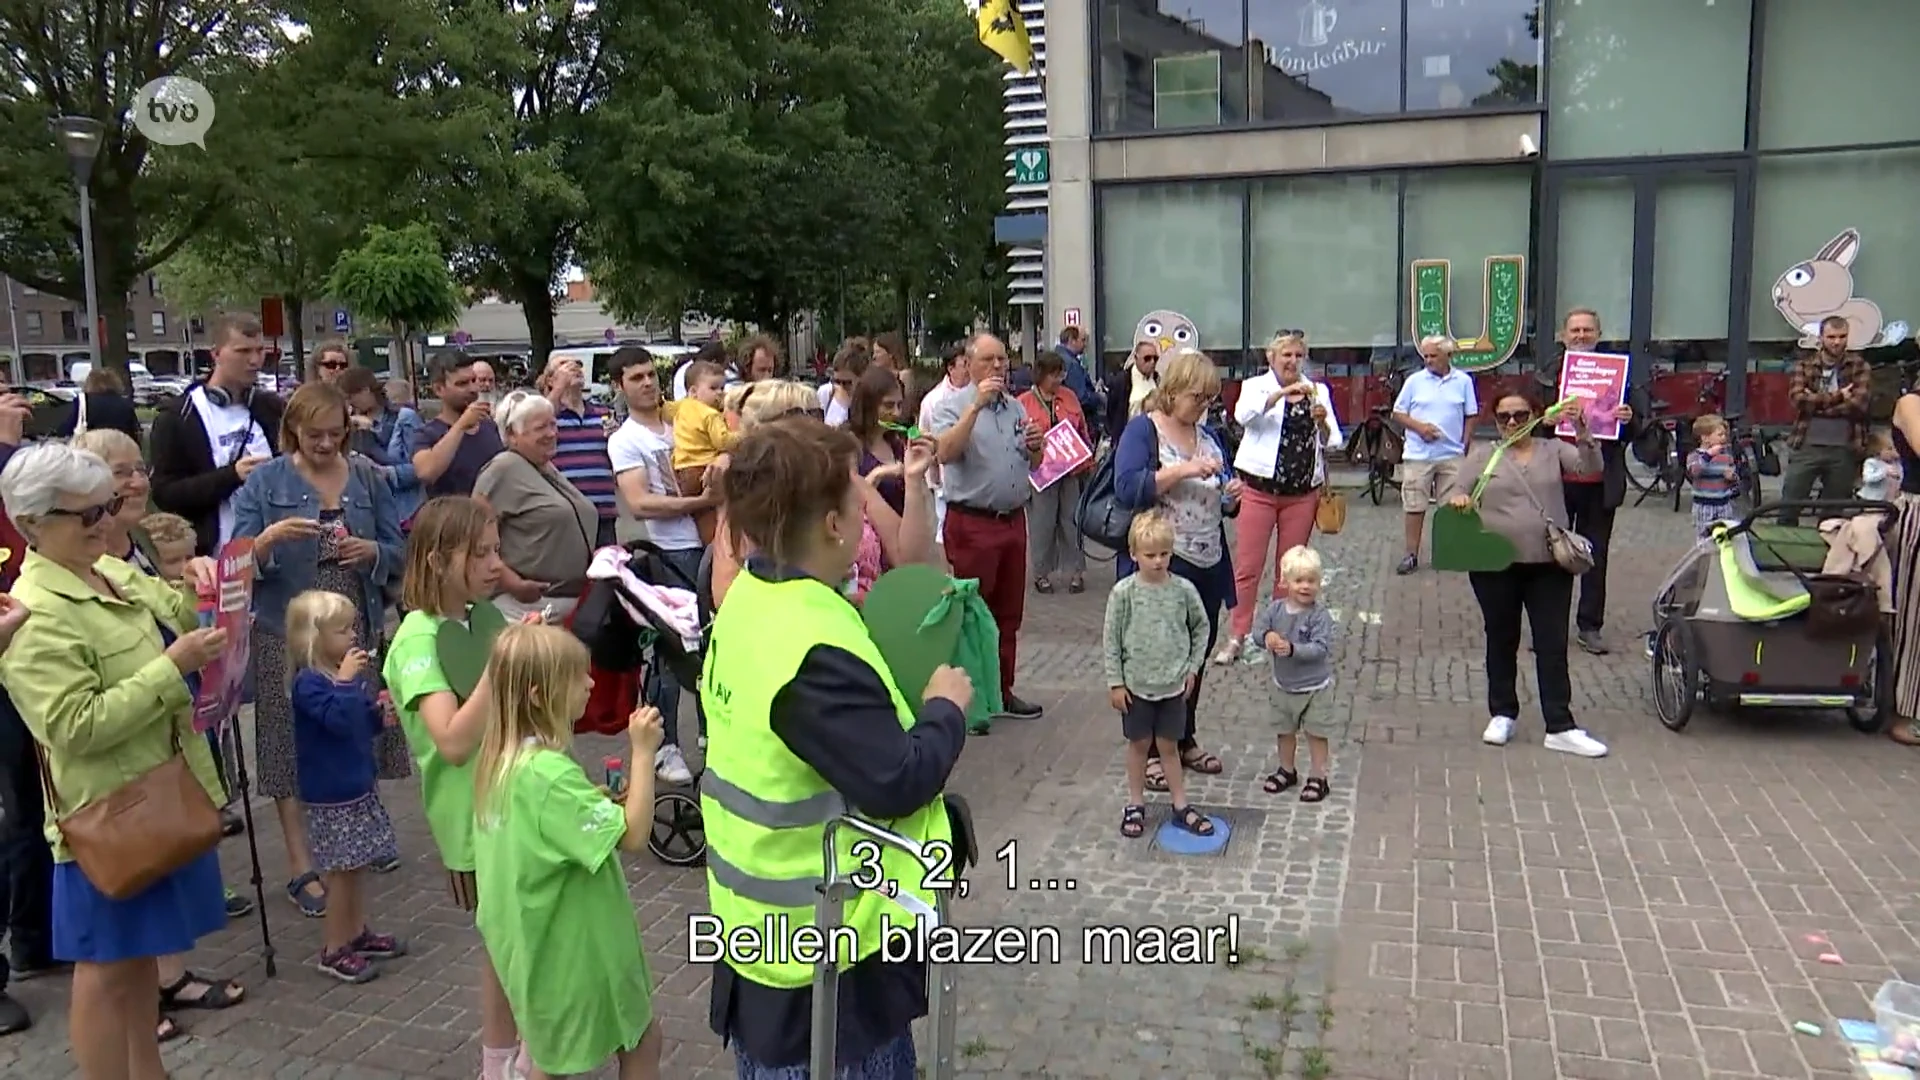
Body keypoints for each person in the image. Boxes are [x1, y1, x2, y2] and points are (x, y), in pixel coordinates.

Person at [700, 418, 972, 1078]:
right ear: (831, 524)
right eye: (855, 498)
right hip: (828, 973)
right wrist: (944, 709)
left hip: (764, 939)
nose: (864, 513)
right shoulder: (812, 640)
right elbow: (896, 780)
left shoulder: (750, 603)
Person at [0, 442, 230, 1080]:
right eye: (85, 515)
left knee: (136, 964)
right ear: (31, 527)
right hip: (107, 815)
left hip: (154, 795)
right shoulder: (34, 614)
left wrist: (203, 590)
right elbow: (74, 727)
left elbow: (181, 622)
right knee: (106, 973)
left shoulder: (108, 567)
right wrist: (170, 668)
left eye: (107, 505)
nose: (104, 522)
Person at [234, 381, 409, 917]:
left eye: (337, 433)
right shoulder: (265, 481)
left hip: (351, 621)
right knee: (288, 743)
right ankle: (299, 863)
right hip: (285, 630)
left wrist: (372, 552)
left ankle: (356, 836)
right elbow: (235, 561)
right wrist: (265, 543)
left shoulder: (366, 477)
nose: (327, 444)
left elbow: (397, 549)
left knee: (355, 725)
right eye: (315, 435)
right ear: (293, 431)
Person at [472, 626, 665, 1079]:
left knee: (556, 1055)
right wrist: (642, 753)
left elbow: (542, 832)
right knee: (636, 1043)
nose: (592, 683)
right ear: (540, 695)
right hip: (577, 955)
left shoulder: (503, 760)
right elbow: (635, 835)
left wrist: (591, 801)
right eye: (578, 676)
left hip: (532, 950)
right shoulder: (549, 777)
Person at [381, 496, 528, 1079]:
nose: (497, 564)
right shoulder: (418, 639)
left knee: (508, 949)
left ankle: (507, 1060)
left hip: (513, 807)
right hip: (475, 821)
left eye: (498, 550)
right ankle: (510, 1061)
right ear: (440, 561)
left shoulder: (478, 618)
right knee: (509, 948)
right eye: (482, 553)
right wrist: (503, 666)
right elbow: (451, 741)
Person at [1442, 389, 1608, 758]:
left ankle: (1560, 724)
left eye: (1520, 414)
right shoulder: (1484, 454)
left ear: (1535, 414)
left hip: (1549, 562)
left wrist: (1582, 428)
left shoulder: (1553, 450)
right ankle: (1502, 712)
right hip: (1495, 563)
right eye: (1504, 417)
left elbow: (1591, 468)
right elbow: (1455, 489)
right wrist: (1458, 500)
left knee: (1551, 642)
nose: (1513, 423)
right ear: (1496, 422)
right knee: (1501, 637)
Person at [1111, 348, 1238, 791]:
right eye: (1197, 397)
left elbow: (1218, 492)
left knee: (1193, 655)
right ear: (1174, 390)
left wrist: (1230, 495)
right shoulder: (1143, 430)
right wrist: (1183, 469)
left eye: (1209, 399)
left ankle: (1183, 739)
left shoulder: (1208, 434)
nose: (1203, 406)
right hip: (1162, 561)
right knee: (1155, 656)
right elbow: (1128, 487)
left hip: (1207, 558)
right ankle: (1146, 750)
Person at [711, 380, 936, 610]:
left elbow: (909, 559)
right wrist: (832, 600)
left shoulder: (847, 479)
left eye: (816, 412)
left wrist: (914, 480)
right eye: (800, 415)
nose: (816, 423)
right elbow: (729, 601)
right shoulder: (751, 506)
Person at [286, 590, 407, 983]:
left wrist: (377, 716)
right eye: (342, 630)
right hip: (331, 796)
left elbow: (352, 723)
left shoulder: (339, 678)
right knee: (340, 872)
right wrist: (345, 684)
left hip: (356, 785)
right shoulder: (310, 683)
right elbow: (335, 721)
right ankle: (334, 946)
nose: (353, 636)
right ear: (314, 638)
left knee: (357, 866)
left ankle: (357, 932)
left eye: (352, 627)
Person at [927, 332, 1047, 719]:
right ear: (968, 363)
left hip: (1013, 521)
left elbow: (1036, 463)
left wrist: (1035, 445)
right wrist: (975, 407)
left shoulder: (1016, 408)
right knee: (970, 614)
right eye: (989, 360)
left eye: (1003, 361)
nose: (998, 367)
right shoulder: (951, 406)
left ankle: (1002, 690)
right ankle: (969, 698)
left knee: (1008, 614)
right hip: (972, 522)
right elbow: (944, 452)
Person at [1221, 331, 1342, 663]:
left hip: (1302, 493)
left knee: (1287, 569)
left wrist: (1323, 425)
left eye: (1297, 356)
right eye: (1285, 355)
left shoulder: (1319, 391)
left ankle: (1279, 635)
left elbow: (1333, 442)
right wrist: (1280, 394)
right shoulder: (1255, 387)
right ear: (1271, 358)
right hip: (1259, 489)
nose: (1292, 361)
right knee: (1248, 567)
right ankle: (1237, 635)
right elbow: (1242, 416)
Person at [1534, 309, 1646, 654]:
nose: (1581, 335)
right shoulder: (1547, 376)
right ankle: (1549, 627)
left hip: (1600, 481)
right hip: (1557, 480)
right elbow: (1523, 427)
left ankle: (1589, 626)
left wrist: (1628, 419)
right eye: (1575, 330)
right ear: (1563, 335)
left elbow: (1640, 428)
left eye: (1587, 330)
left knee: (1594, 557)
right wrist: (1547, 418)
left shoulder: (1619, 374)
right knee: (1551, 556)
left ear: (1598, 333)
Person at [1102, 510, 1210, 840]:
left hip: (1173, 687)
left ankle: (1180, 804)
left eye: (1164, 554)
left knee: (1169, 747)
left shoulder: (1183, 590)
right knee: (1138, 746)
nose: (1158, 561)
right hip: (1136, 687)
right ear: (1134, 554)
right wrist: (1115, 681)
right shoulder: (1124, 594)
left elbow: (1201, 627)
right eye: (1150, 555)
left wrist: (1193, 666)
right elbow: (1111, 639)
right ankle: (1136, 802)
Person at [150, 312, 284, 556]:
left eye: (260, 350)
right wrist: (232, 476)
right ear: (216, 354)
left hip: (273, 557)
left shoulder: (271, 409)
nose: (254, 360)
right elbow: (164, 493)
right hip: (214, 557)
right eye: (243, 351)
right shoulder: (179, 416)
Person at [475, 390, 599, 622]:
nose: (551, 433)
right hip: (525, 607)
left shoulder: (545, 466)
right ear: (512, 435)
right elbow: (472, 538)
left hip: (571, 602)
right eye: (541, 427)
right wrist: (515, 584)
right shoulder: (502, 469)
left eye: (553, 424)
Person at [1252, 545, 1339, 803]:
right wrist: (1267, 637)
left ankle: (1319, 776)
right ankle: (1286, 769)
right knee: (1284, 730)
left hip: (1315, 688)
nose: (1305, 586)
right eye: (1299, 580)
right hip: (1283, 686)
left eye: (1311, 581)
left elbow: (1321, 649)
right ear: (1285, 582)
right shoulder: (1275, 610)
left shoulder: (1319, 615)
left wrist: (1292, 649)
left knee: (1316, 733)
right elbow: (1257, 632)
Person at [1392, 334, 1478, 576]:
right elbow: (1398, 413)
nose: (1428, 360)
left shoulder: (1463, 381)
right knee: (1414, 505)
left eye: (1433, 356)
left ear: (1448, 356)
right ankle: (1411, 554)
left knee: (1452, 507)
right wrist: (1420, 427)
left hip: (1452, 453)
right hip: (1419, 454)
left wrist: (1465, 443)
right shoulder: (1414, 381)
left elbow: (1471, 414)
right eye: (1425, 356)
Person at [1782, 314, 1872, 523]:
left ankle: (1830, 554)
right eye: (1831, 336)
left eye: (1842, 336)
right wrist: (1838, 396)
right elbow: (1798, 400)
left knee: (1834, 513)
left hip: (1844, 447)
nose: (1837, 342)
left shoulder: (1859, 366)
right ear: (1821, 338)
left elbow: (1859, 405)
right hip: (1807, 444)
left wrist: (1816, 404)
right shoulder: (1804, 366)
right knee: (1789, 504)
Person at [1019, 349, 1094, 595]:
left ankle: (1076, 572)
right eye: (1054, 374)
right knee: (1042, 523)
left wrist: (1088, 460)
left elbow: (1082, 430)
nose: (1059, 379)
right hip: (1040, 474)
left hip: (1069, 471)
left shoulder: (1070, 397)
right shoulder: (1023, 403)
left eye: (1061, 374)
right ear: (1041, 375)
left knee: (1072, 521)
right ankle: (1041, 574)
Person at [539, 353, 620, 547]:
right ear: (550, 378)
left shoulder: (603, 413)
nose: (573, 366)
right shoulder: (548, 414)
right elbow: (535, 420)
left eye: (576, 363)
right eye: (563, 365)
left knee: (606, 571)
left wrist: (617, 438)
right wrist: (559, 388)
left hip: (603, 511)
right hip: (566, 512)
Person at [337, 366, 426, 526]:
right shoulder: (352, 422)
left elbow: (421, 468)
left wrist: (386, 473)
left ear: (365, 391)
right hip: (370, 509)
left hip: (404, 509)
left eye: (351, 396)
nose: (350, 403)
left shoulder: (404, 418)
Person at [411, 352, 505, 499]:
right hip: (453, 518)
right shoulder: (427, 433)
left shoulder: (489, 426)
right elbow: (426, 472)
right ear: (438, 389)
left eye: (474, 381)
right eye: (462, 384)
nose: (473, 389)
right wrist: (461, 425)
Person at [670, 360, 737, 542]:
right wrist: (742, 436)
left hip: (682, 470)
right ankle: (715, 547)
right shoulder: (711, 414)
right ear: (693, 391)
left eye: (722, 388)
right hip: (704, 468)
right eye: (713, 388)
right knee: (716, 512)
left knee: (701, 514)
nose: (720, 393)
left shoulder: (682, 406)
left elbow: (663, 411)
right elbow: (722, 441)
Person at [917, 344, 970, 545]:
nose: (968, 369)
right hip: (945, 478)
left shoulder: (977, 395)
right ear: (951, 368)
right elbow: (924, 438)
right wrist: (933, 476)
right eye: (964, 364)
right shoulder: (933, 401)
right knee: (946, 532)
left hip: (975, 477)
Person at [848, 365, 909, 516]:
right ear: (869, 405)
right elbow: (848, 503)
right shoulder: (850, 445)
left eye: (899, 405)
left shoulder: (896, 444)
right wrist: (878, 474)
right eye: (888, 405)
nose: (896, 413)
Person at [1687, 415, 1738, 537]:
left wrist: (1732, 478)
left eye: (1725, 435)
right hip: (1704, 506)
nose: (1724, 438)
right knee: (1704, 539)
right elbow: (1694, 471)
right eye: (1720, 435)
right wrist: (1708, 455)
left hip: (1724, 505)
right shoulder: (1694, 456)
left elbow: (1735, 480)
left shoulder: (1726, 456)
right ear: (1705, 438)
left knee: (1725, 538)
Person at [1105, 340, 1160, 444]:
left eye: (1155, 359)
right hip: (1127, 438)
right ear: (1136, 358)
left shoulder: (1157, 380)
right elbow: (1112, 412)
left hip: (1152, 439)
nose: (1152, 362)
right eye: (1147, 358)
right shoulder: (1122, 381)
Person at [816, 338, 871, 427]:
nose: (840, 388)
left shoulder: (870, 401)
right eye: (837, 382)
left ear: (861, 378)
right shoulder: (826, 393)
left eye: (847, 383)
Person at [1860, 432, 1903, 502]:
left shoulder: (1896, 463)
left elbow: (1900, 476)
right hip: (1872, 499)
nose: (1892, 452)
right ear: (1878, 450)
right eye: (1889, 449)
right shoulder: (1872, 463)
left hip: (1890, 499)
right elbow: (1867, 478)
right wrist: (1884, 473)